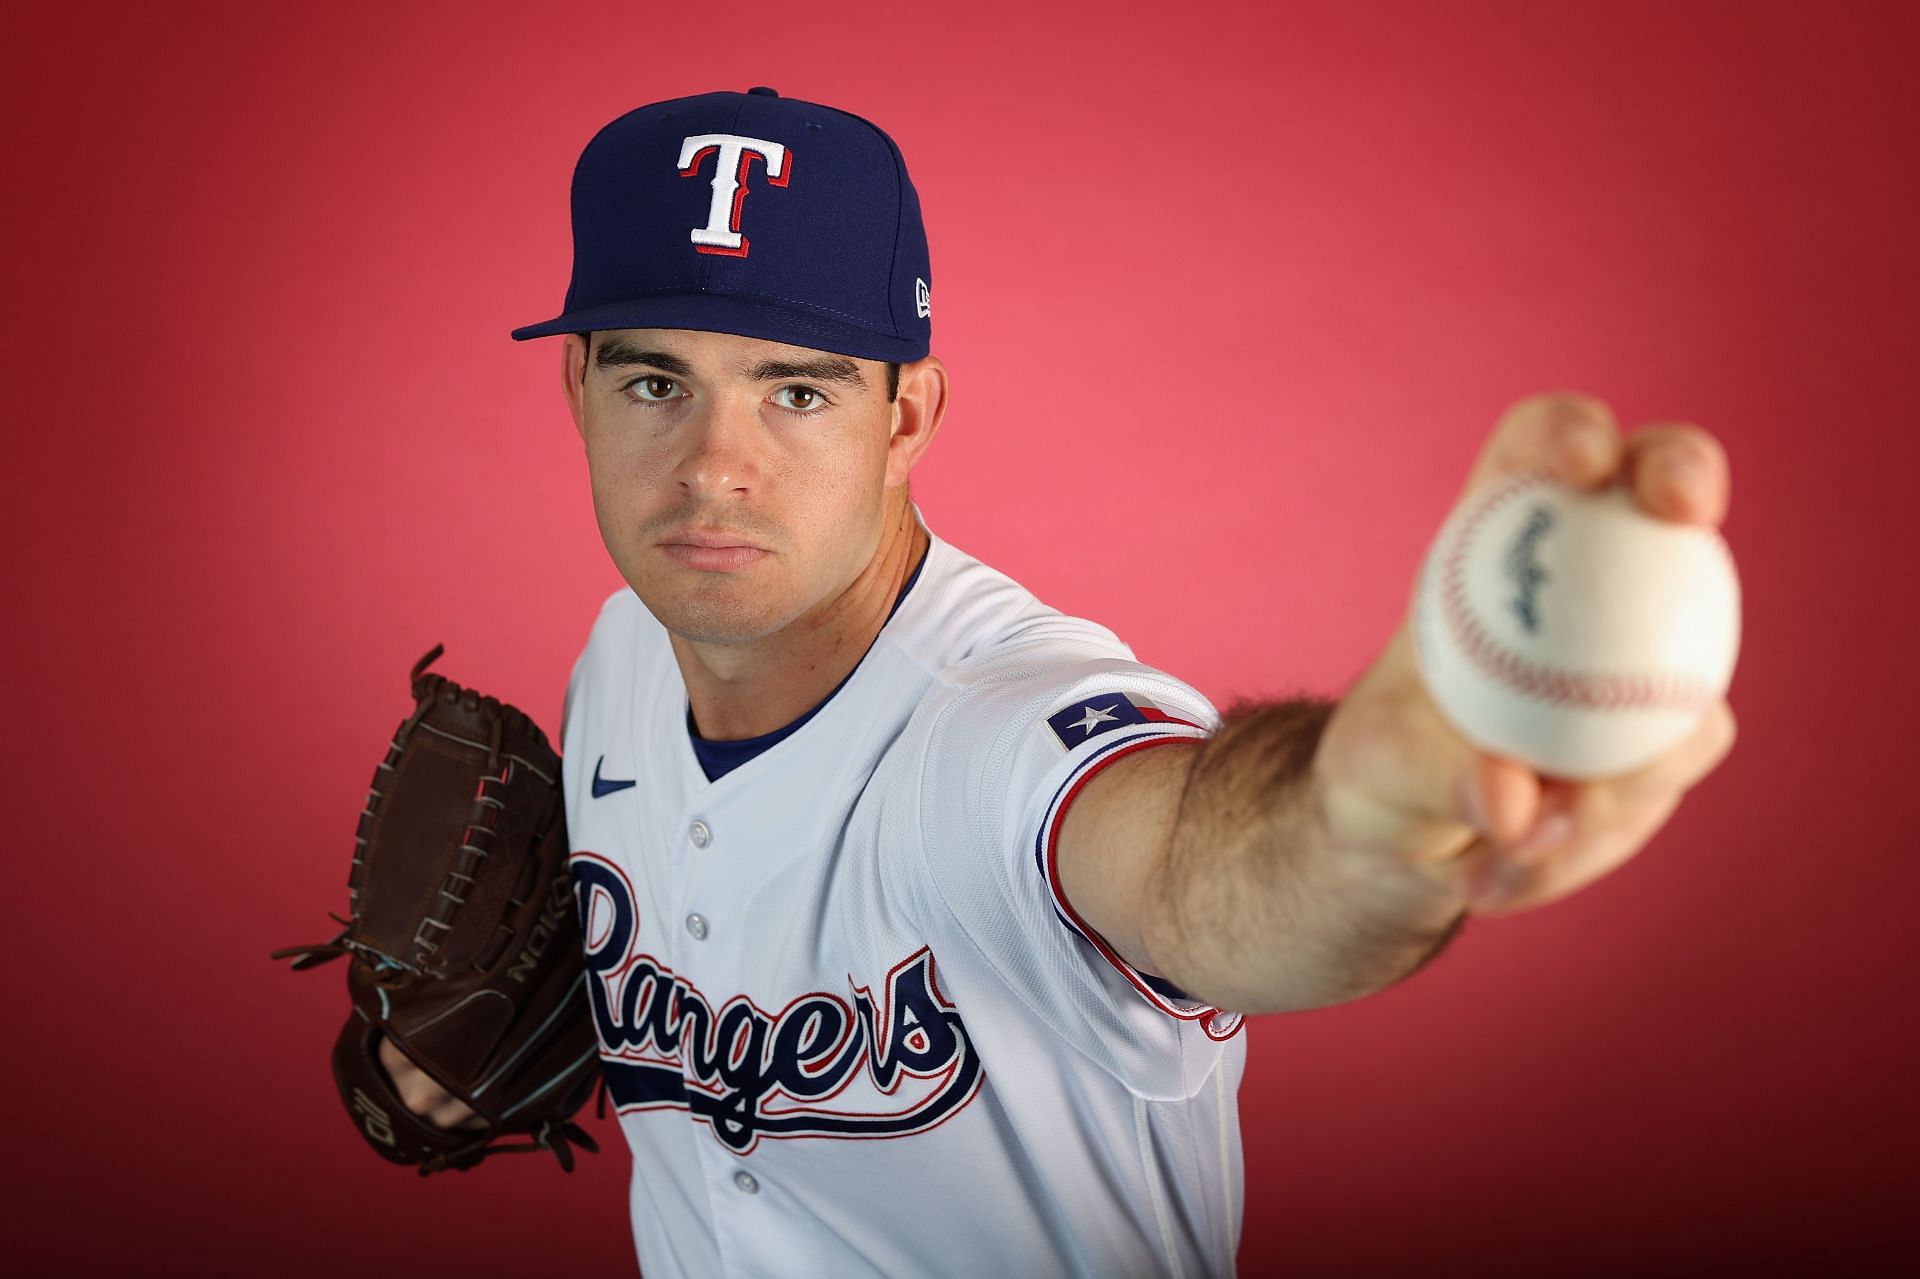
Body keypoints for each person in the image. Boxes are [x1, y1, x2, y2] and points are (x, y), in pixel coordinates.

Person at [377, 87, 1736, 1276]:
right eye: (656, 382)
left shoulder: (1003, 726)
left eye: (798, 392)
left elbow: (1195, 862)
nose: (712, 464)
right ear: (575, 387)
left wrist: (1358, 829)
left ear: (906, 414)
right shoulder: (618, 664)